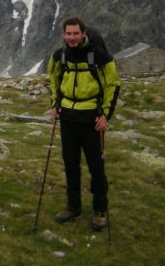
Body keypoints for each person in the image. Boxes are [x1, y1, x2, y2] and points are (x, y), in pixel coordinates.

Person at [48, 16, 121, 231]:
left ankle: (100, 209)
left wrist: (105, 115)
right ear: (63, 35)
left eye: (75, 33)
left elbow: (113, 85)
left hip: (91, 119)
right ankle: (73, 206)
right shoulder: (59, 56)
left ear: (83, 33)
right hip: (68, 118)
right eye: (68, 34)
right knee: (70, 165)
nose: (72, 37)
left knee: (96, 167)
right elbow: (53, 79)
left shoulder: (99, 56)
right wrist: (54, 104)